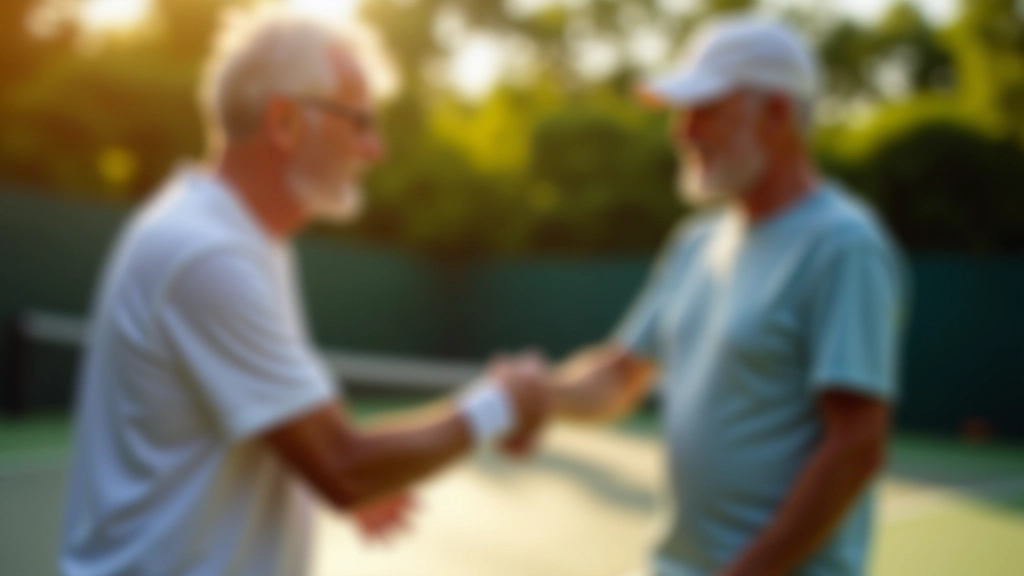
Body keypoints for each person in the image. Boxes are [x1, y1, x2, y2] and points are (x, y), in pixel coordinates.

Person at [59, 8, 646, 576]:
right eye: (360, 122)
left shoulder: (243, 238)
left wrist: (341, 474)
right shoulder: (210, 254)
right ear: (286, 122)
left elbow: (295, 436)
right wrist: (504, 403)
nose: (376, 150)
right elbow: (343, 463)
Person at [563, 14, 907, 576]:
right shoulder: (693, 244)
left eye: (705, 109)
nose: (683, 131)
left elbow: (856, 447)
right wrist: (531, 397)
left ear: (776, 113)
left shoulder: (845, 246)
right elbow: (620, 374)